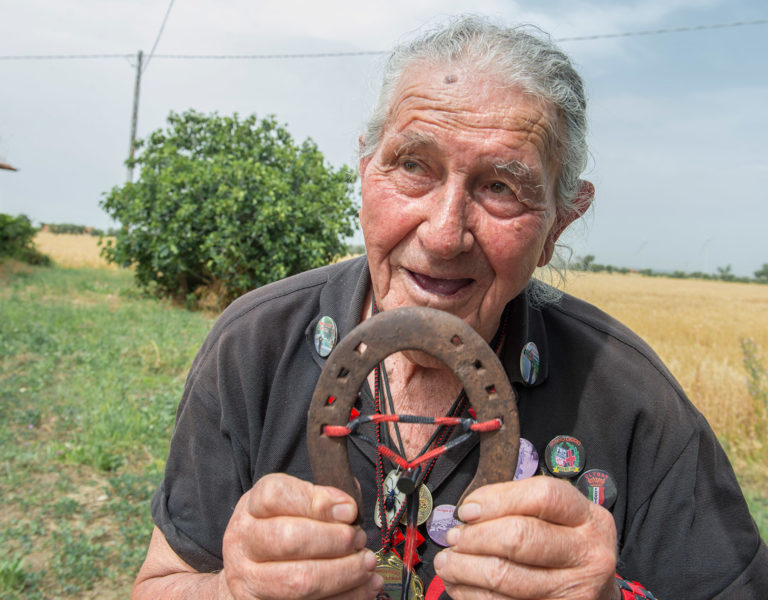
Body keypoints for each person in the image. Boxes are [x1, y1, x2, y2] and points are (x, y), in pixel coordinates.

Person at [131, 15, 768, 600]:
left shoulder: (632, 399)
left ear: (557, 225)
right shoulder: (254, 345)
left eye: (501, 187)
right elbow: (162, 582)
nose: (443, 234)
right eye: (413, 165)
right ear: (364, 173)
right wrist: (228, 592)